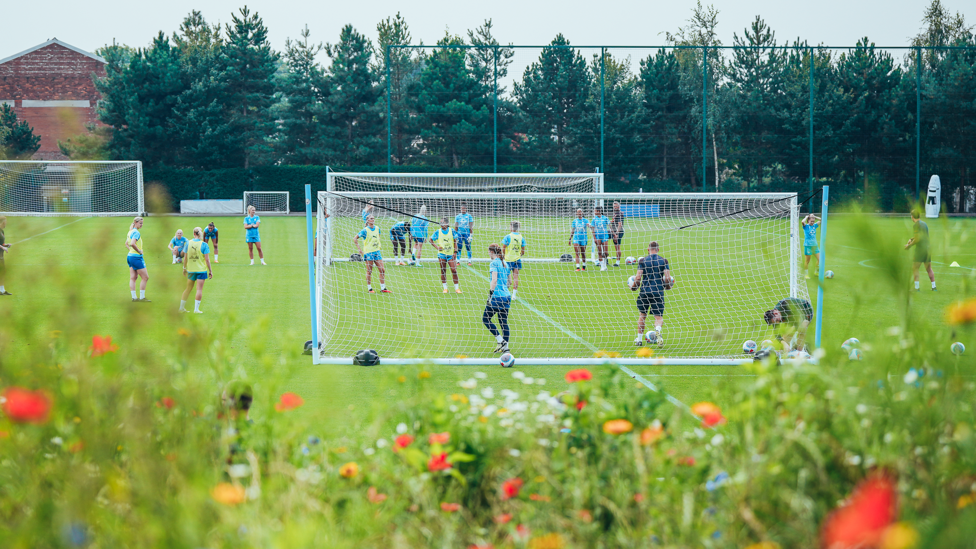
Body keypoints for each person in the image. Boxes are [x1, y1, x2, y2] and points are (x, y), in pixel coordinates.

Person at [630, 241, 671, 346]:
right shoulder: (663, 261)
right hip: (658, 291)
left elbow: (638, 277)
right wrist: (667, 286)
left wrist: (634, 286)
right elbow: (667, 278)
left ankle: (639, 340)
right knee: (658, 317)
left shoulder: (643, 261)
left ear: (648, 249)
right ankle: (657, 330)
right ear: (658, 250)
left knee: (642, 315)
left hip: (645, 291)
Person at [484, 243, 512, 353]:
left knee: (486, 319)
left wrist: (490, 295)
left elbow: (494, 280)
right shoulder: (505, 263)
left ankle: (501, 340)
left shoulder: (494, 263)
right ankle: (506, 348)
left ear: (491, 252)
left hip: (497, 297)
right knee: (503, 322)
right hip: (506, 296)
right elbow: (509, 282)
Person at [354, 215, 391, 294]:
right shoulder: (365, 230)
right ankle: (369, 288)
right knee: (369, 271)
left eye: (373, 218)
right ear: (367, 221)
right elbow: (355, 238)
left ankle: (383, 288)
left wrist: (377, 245)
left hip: (377, 252)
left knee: (382, 270)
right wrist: (359, 249)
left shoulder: (377, 228)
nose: (373, 220)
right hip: (369, 252)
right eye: (371, 218)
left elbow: (378, 237)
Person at [179, 227, 213, 314]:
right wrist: (210, 271)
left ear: (194, 233)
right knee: (199, 290)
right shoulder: (204, 244)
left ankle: (181, 308)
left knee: (188, 289)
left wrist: (184, 268)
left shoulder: (188, 243)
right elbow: (207, 259)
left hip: (191, 270)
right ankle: (196, 309)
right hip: (201, 270)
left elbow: (185, 257)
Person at [905, 209, 936, 291]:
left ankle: (917, 288)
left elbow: (917, 239)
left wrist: (909, 245)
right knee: (929, 268)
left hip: (920, 250)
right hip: (927, 249)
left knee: (915, 268)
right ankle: (934, 287)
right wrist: (911, 239)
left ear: (912, 217)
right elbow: (921, 236)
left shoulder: (916, 225)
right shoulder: (924, 224)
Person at [430, 216, 461, 294]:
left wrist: (455, 252)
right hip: (442, 254)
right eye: (440, 222)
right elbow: (431, 240)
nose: (441, 224)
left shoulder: (452, 231)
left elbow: (455, 242)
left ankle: (457, 288)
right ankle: (445, 288)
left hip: (451, 254)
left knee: (454, 270)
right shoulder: (438, 231)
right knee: (443, 270)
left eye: (443, 222)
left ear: (447, 223)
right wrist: (437, 247)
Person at [126, 216, 150, 302]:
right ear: (135, 223)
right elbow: (132, 243)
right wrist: (139, 251)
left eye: (142, 223)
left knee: (133, 277)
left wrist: (132, 251)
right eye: (140, 223)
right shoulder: (136, 232)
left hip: (130, 256)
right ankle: (142, 298)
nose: (141, 225)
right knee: (145, 277)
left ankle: (134, 298)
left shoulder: (130, 232)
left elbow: (126, 244)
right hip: (136, 258)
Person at [501, 221, 526, 299]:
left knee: (506, 277)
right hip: (517, 260)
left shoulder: (508, 236)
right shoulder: (521, 237)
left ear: (511, 227)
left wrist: (504, 256)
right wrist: (519, 254)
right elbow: (523, 251)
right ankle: (514, 296)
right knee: (516, 278)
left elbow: (503, 248)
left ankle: (505, 293)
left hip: (508, 260)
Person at [591, 206, 611, 271]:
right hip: (598, 237)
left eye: (595, 211)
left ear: (598, 211)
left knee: (605, 252)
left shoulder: (605, 218)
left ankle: (605, 264)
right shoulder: (594, 219)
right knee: (599, 251)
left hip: (605, 236)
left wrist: (614, 234)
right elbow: (592, 229)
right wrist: (594, 238)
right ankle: (602, 266)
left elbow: (610, 226)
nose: (594, 212)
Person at [802, 213, 821, 279]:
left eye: (813, 221)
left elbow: (821, 220)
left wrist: (814, 216)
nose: (812, 222)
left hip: (815, 246)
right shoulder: (806, 226)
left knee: (820, 259)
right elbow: (802, 222)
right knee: (807, 261)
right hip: (808, 246)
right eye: (811, 221)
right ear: (808, 221)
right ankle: (806, 274)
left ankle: (816, 272)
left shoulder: (814, 226)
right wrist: (806, 217)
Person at [610, 201, 625, 267]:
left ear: (619, 206)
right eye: (614, 206)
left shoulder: (619, 214)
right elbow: (614, 222)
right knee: (603, 239)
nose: (615, 207)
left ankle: (617, 262)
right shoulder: (615, 213)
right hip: (614, 231)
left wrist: (616, 234)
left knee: (617, 247)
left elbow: (620, 224)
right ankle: (605, 260)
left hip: (618, 232)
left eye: (616, 206)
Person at [0, 216, 11, 296]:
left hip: (1, 256)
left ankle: (2, 290)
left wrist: (6, 245)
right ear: (3, 222)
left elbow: (2, 243)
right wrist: (2, 247)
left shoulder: (2, 231)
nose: (6, 223)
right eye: (6, 221)